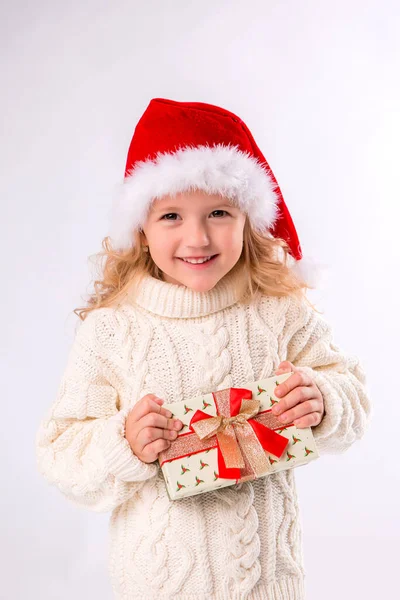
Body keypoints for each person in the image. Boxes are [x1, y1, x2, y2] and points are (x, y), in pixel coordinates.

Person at [36, 98, 371, 600]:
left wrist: (324, 399)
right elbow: (60, 452)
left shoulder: (280, 313)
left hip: (269, 582)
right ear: (142, 231)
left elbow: (354, 398)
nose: (197, 237)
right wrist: (122, 442)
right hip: (160, 586)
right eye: (171, 215)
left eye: (218, 212)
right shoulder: (112, 331)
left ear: (247, 221)